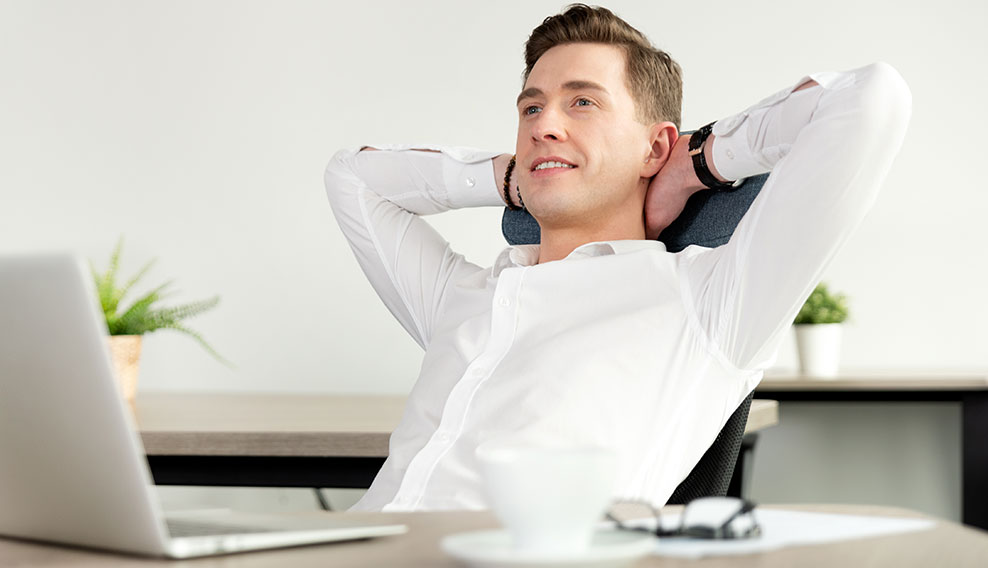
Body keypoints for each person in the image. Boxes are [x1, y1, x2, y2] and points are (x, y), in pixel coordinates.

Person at [324, 4, 910, 512]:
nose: (544, 125)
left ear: (655, 144)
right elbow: (352, 177)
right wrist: (514, 177)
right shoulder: (462, 296)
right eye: (532, 109)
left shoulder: (706, 303)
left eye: (582, 103)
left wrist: (694, 163)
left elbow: (871, 97)